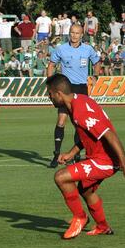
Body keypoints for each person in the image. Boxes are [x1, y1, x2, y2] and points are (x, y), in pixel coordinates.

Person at [46, 74, 125, 239]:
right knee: (86, 190)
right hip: (98, 158)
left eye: (50, 94)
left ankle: (80, 217)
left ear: (59, 94)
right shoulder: (78, 101)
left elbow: (110, 135)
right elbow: (88, 136)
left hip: (105, 161)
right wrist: (71, 153)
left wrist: (124, 164)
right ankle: (103, 227)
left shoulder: (80, 111)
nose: (49, 97)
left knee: (61, 177)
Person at [47, 24, 100, 168]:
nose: (74, 35)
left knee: (80, 124)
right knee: (61, 121)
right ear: (69, 33)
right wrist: (50, 84)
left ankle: (76, 155)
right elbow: (51, 65)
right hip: (66, 89)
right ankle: (56, 154)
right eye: (72, 32)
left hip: (81, 89)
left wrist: (95, 75)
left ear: (81, 35)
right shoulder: (61, 48)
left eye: (77, 33)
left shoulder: (88, 49)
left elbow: (97, 63)